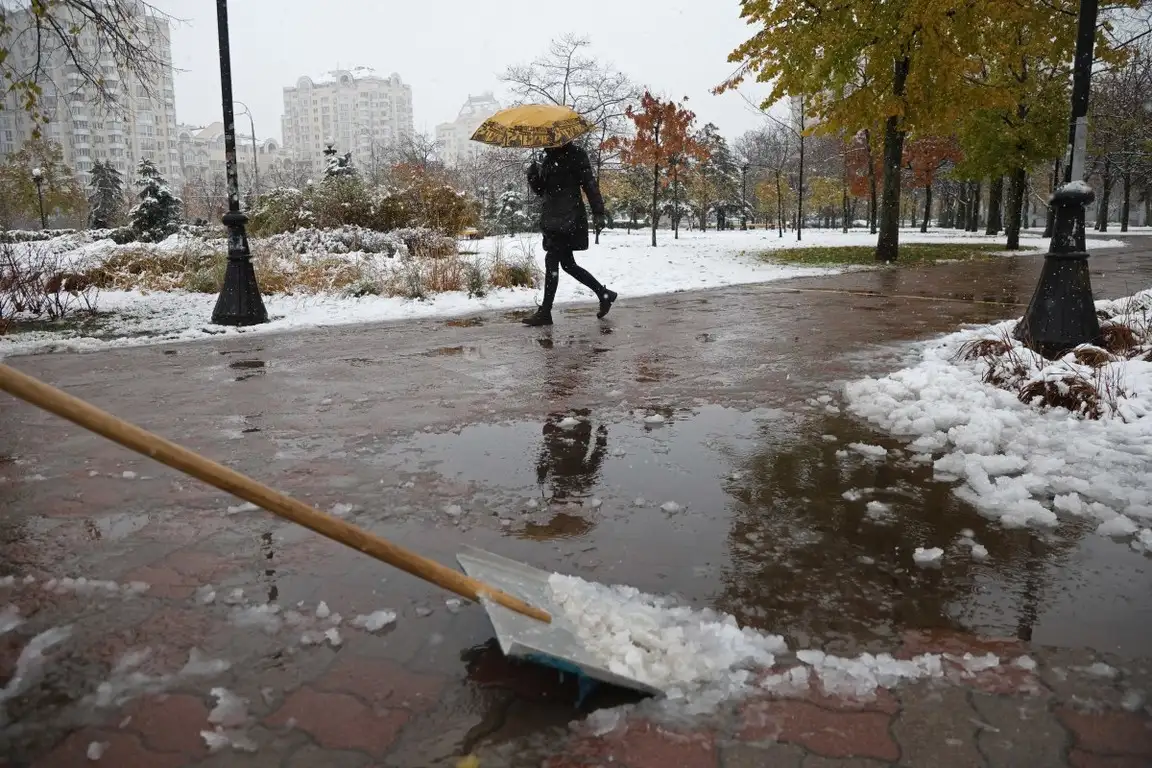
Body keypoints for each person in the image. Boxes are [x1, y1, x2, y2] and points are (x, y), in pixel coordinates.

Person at [522, 142, 617, 327]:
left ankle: (545, 312)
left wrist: (598, 212)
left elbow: (589, 184)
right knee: (568, 265)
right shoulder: (547, 157)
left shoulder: (576, 154)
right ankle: (605, 294)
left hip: (569, 217)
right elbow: (542, 190)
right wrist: (533, 176)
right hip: (552, 218)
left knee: (552, 260)